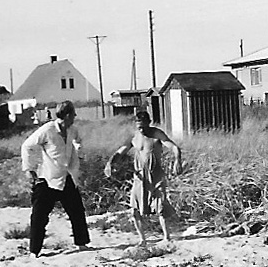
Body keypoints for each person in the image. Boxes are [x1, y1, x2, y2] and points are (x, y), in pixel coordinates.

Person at [20, 100, 91, 258]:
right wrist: (29, 170)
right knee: (39, 216)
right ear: (66, 115)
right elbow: (27, 146)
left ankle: (81, 243)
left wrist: (78, 154)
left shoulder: (72, 129)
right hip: (47, 178)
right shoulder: (48, 130)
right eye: (73, 114)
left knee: (77, 211)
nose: (75, 117)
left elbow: (78, 141)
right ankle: (34, 251)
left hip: (66, 176)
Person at [104, 110, 182, 245]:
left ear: (149, 122)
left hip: (156, 175)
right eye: (139, 126)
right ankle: (142, 239)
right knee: (135, 209)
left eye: (144, 126)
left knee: (160, 206)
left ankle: (167, 237)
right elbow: (120, 152)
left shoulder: (156, 133)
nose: (141, 129)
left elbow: (173, 146)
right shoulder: (133, 137)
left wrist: (177, 160)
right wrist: (110, 163)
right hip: (139, 177)